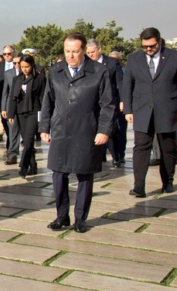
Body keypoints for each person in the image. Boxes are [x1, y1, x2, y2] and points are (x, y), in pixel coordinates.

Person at [41, 32, 113, 233]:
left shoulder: (99, 72)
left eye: (75, 51)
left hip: (86, 131)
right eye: (67, 51)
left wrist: (104, 130)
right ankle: (61, 215)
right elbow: (48, 101)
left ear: (83, 51)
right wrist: (44, 127)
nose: (70, 56)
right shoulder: (56, 71)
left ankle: (80, 218)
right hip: (60, 131)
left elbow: (107, 105)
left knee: (84, 176)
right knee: (58, 174)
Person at [123, 28, 177, 197]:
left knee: (167, 148)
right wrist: (128, 109)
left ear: (159, 42)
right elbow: (127, 86)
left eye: (151, 46)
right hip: (142, 109)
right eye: (145, 46)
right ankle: (139, 186)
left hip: (168, 109)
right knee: (141, 147)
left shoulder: (173, 57)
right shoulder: (134, 59)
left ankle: (167, 181)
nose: (148, 49)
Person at [86, 39, 124, 166]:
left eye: (93, 52)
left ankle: (116, 157)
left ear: (99, 49)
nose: (90, 55)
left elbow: (120, 83)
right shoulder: (86, 64)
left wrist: (123, 100)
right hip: (92, 102)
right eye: (88, 52)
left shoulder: (112, 63)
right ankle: (98, 157)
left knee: (110, 130)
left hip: (109, 102)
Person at [7, 54, 45, 178]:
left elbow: (43, 97)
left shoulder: (39, 79)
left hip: (33, 112)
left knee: (28, 140)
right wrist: (11, 113)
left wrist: (44, 115)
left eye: (27, 66)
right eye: (22, 66)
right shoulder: (16, 80)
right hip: (20, 113)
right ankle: (33, 166)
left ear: (32, 65)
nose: (24, 69)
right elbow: (13, 98)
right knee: (27, 142)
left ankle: (23, 166)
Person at [0, 52, 23, 165]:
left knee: (26, 134)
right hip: (11, 107)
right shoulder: (8, 74)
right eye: (14, 63)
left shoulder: (29, 72)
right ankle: (12, 155)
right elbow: (5, 92)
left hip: (25, 107)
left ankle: (29, 157)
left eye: (19, 62)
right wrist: (4, 108)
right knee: (12, 132)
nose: (17, 65)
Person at [0, 46, 16, 145]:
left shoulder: (18, 65)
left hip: (16, 99)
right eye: (4, 54)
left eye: (9, 54)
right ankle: (10, 141)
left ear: (13, 54)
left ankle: (12, 145)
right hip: (2, 100)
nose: (7, 56)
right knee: (5, 122)